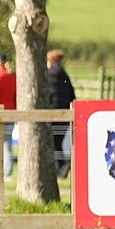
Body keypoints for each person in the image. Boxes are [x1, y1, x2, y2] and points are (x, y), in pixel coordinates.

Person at [46, 49, 76, 177]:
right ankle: (61, 166)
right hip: (65, 112)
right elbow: (72, 95)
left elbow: (47, 94)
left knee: (53, 141)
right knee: (58, 141)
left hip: (53, 112)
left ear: (50, 61)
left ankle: (60, 167)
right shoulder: (64, 75)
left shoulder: (49, 75)